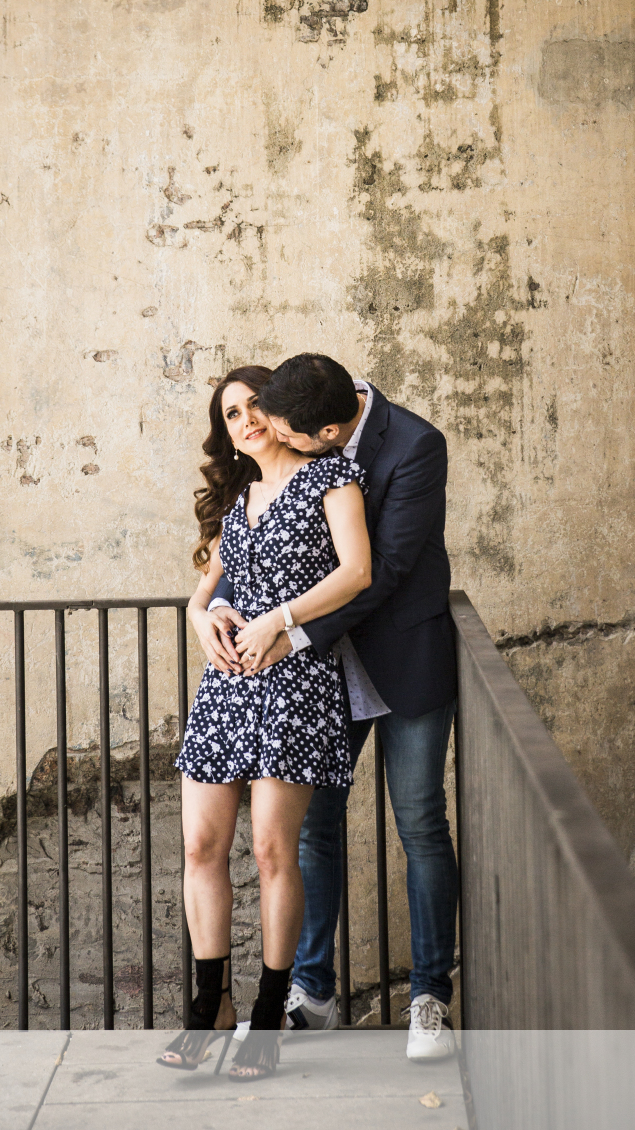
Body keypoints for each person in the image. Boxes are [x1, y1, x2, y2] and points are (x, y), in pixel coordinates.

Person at [199, 353, 458, 1061]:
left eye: (289, 433)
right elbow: (264, 545)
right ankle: (312, 994)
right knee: (312, 831)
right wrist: (218, 607)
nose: (271, 434)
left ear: (331, 432)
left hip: (399, 663)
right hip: (319, 679)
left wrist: (290, 630)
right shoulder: (300, 407)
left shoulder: (416, 446)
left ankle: (430, 997)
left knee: (420, 822)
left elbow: (384, 570)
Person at [160, 364, 371, 1080]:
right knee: (201, 846)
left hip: (296, 685)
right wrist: (203, 617)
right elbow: (203, 596)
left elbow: (357, 572)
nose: (246, 420)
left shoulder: (331, 477)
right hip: (226, 689)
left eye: (254, 406)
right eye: (231, 414)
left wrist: (279, 618)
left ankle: (271, 1012)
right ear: (225, 433)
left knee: (274, 851)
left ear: (278, 413)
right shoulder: (239, 498)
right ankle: (210, 1008)